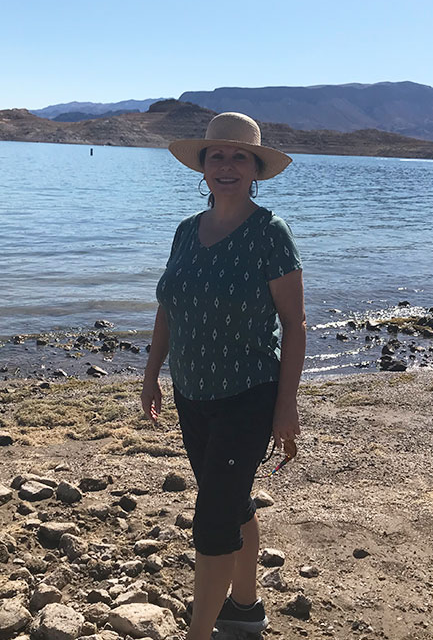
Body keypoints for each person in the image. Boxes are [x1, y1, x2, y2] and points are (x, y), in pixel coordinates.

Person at [141, 112, 306, 639]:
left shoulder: (270, 233)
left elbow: (294, 325)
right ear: (203, 165)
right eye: (218, 155)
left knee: (211, 523)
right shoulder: (186, 231)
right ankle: (244, 608)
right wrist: (151, 375)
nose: (227, 165)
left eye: (240, 157)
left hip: (249, 394)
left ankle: (200, 633)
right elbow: (168, 308)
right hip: (192, 393)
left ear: (255, 168)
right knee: (232, 503)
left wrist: (286, 405)